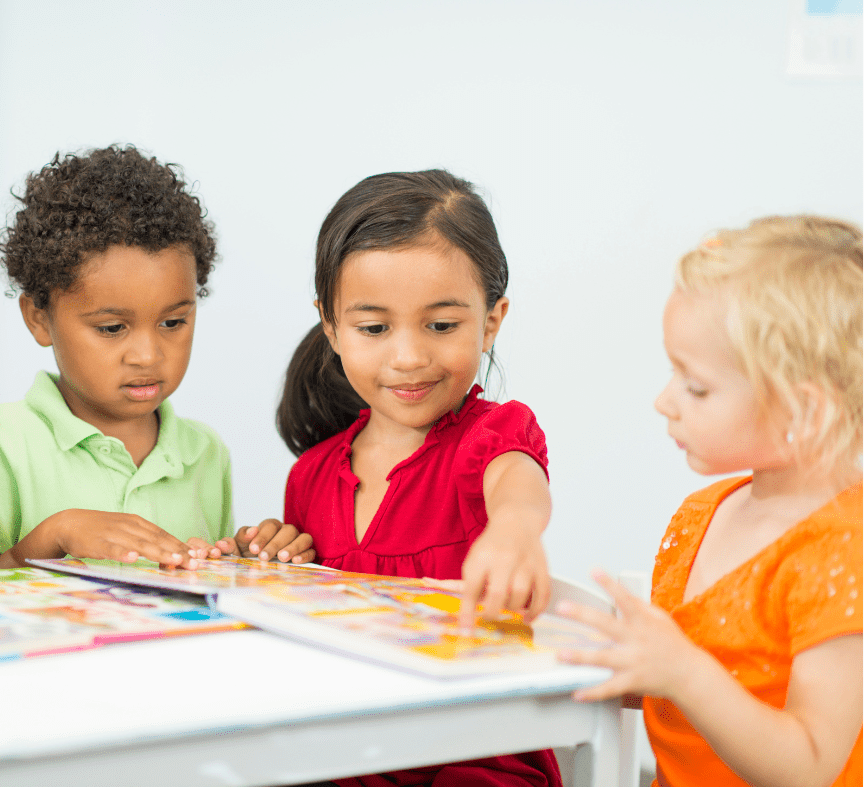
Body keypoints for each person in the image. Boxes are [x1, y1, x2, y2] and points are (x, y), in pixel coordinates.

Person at [278, 169, 561, 787]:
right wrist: (272, 555)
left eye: (441, 325)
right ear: (331, 325)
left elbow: (517, 487)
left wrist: (514, 530)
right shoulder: (309, 477)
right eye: (374, 329)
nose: (408, 357)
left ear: (491, 320)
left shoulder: (490, 437)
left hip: (478, 749)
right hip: (351, 748)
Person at [557, 216, 863, 787]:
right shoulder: (702, 513)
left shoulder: (846, 550)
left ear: (806, 411)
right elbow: (693, 692)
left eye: (695, 386)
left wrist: (682, 672)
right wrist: (634, 667)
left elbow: (810, 766)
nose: (664, 401)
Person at [0, 144, 313, 569]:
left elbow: (199, 586)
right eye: (112, 328)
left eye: (173, 322)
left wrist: (247, 560)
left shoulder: (205, 453)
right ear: (39, 318)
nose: (147, 354)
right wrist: (53, 535)